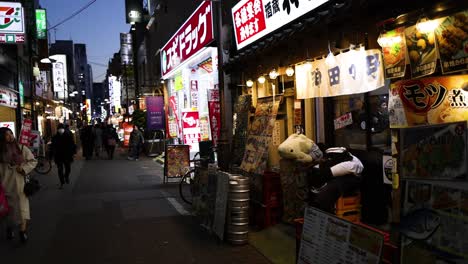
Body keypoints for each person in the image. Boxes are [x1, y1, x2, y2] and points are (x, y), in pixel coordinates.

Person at [0, 127, 37, 243]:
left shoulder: (21, 148)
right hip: (6, 184)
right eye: (6, 134)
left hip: (21, 183)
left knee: (22, 209)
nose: (10, 136)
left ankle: (22, 231)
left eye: (11, 133)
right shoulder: (0, 152)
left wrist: (24, 168)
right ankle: (9, 227)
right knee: (8, 210)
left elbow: (33, 161)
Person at [308, 147, 363, 213]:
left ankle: (318, 208)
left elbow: (327, 173)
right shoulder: (327, 161)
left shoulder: (349, 164)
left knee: (332, 186)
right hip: (341, 174)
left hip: (351, 176)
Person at [51, 124, 76, 189]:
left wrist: (73, 152)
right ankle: (62, 182)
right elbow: (52, 147)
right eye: (59, 128)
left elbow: (72, 144)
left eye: (61, 128)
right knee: (60, 170)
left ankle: (66, 176)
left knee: (68, 168)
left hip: (67, 155)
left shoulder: (68, 136)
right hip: (58, 156)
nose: (60, 130)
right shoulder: (55, 137)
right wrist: (51, 155)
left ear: (64, 129)